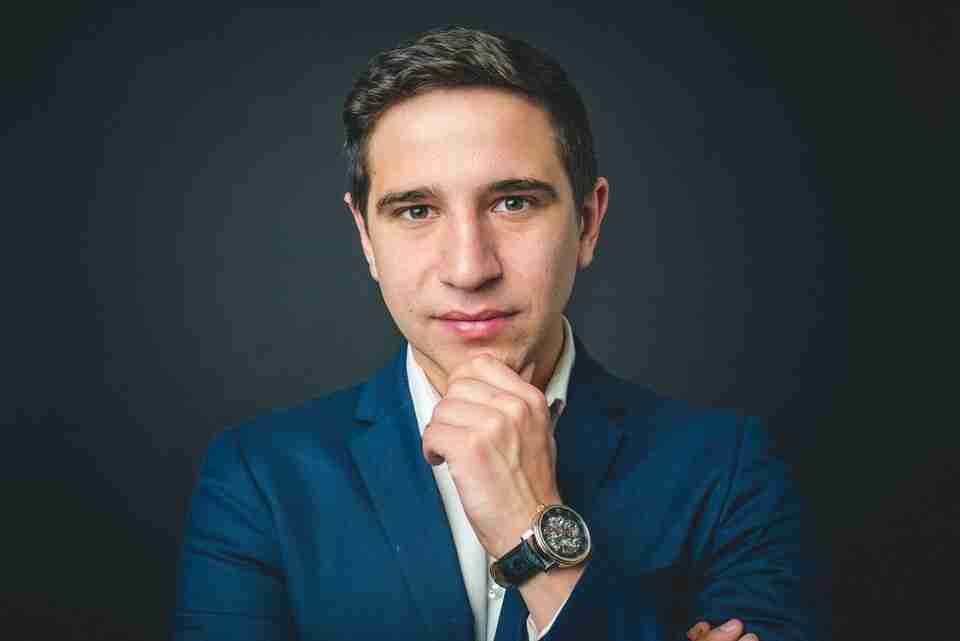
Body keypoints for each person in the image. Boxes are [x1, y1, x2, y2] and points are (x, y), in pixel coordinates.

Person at [172, 26, 826, 641]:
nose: (468, 267)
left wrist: (534, 528)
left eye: (513, 202)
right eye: (417, 210)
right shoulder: (258, 478)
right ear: (366, 238)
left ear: (589, 222)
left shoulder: (727, 470)